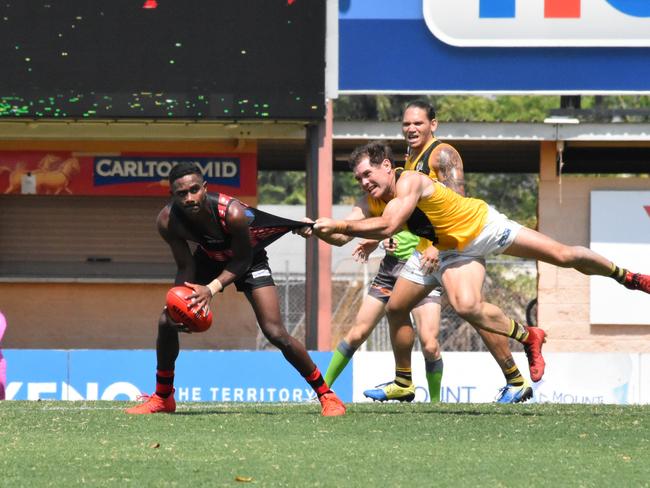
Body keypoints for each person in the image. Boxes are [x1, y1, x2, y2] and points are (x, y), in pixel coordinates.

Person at [312, 142, 650, 388]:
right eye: (358, 179)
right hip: (449, 251)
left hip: (483, 227)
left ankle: (627, 276)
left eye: (368, 174)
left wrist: (340, 226)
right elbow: (342, 235)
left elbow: (386, 226)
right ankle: (526, 336)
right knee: (457, 305)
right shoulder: (369, 199)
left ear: (386, 165)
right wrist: (314, 228)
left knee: (563, 255)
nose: (364, 183)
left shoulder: (409, 181)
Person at [125, 162, 346, 417]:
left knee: (275, 332)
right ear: (172, 196)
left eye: (194, 190)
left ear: (205, 188)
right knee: (166, 321)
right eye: (181, 194)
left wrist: (211, 288)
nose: (189, 198)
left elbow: (241, 261)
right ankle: (163, 397)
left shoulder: (233, 212)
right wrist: (180, 304)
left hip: (249, 260)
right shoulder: (167, 220)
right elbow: (185, 265)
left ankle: (327, 395)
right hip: (209, 258)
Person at [322, 229, 445, 402]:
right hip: (390, 270)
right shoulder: (382, 202)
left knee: (430, 345)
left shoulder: (427, 203)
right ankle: (321, 392)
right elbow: (386, 224)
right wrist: (380, 240)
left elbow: (448, 225)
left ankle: (435, 403)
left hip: (422, 271)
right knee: (357, 333)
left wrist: (436, 248)